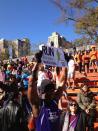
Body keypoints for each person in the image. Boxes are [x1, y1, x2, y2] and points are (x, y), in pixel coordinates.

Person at [28, 59, 67, 131]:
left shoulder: (54, 100)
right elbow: (31, 83)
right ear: (43, 92)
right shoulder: (38, 104)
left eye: (53, 90)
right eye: (50, 90)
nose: (53, 92)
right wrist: (38, 63)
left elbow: (63, 81)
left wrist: (64, 64)